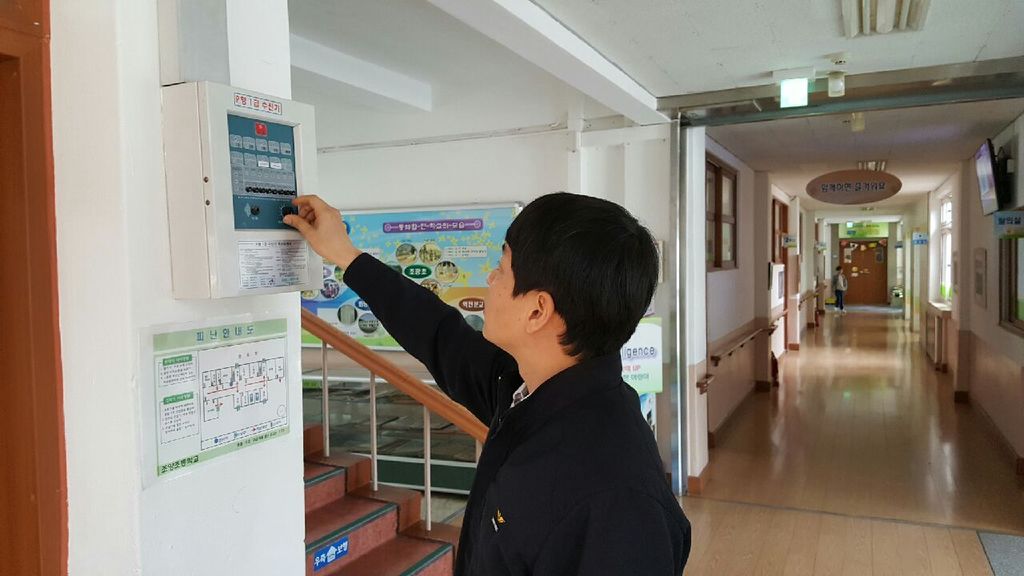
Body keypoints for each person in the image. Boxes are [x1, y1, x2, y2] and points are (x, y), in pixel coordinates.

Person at [286, 193, 691, 575]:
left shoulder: (619, 504)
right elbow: (437, 332)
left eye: (502, 268)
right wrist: (346, 254)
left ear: (537, 311)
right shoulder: (526, 388)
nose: (490, 279)